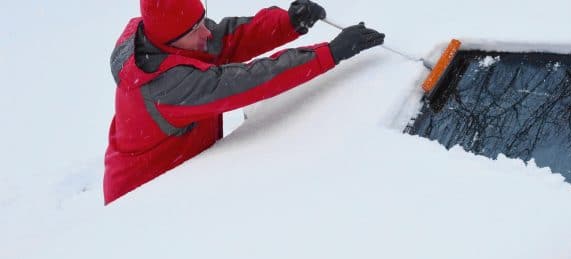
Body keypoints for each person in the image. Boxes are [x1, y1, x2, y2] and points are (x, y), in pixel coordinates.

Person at [104, 0, 385, 204]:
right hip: (141, 199)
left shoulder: (170, 36)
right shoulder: (167, 86)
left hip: (183, 176)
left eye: (202, 21)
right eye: (195, 30)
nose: (206, 32)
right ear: (171, 42)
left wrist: (287, 23)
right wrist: (330, 53)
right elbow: (249, 81)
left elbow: (227, 41)